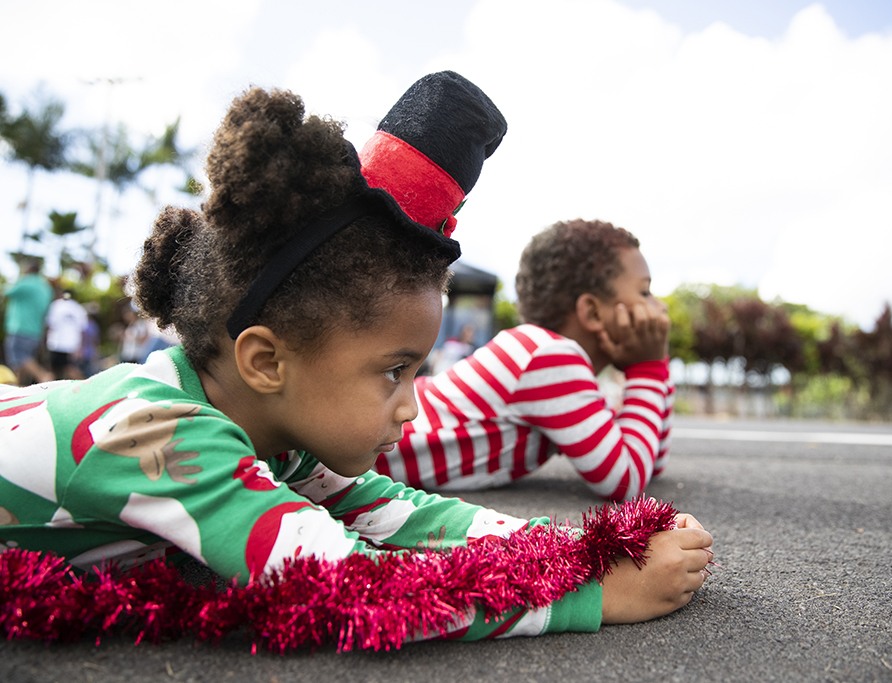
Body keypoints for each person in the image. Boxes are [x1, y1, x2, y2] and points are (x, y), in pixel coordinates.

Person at [0, 74, 712, 650]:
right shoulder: (158, 430)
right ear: (266, 361)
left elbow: (401, 513)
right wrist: (596, 593)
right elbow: (352, 583)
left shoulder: (268, 434)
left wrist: (586, 545)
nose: (411, 402)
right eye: (393, 370)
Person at [374, 219, 675, 502]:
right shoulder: (548, 357)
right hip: (368, 447)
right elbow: (626, 480)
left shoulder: (558, 369)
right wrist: (649, 367)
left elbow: (649, 460)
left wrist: (654, 364)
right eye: (645, 291)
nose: (658, 306)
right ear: (593, 312)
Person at [2, 258, 54, 384]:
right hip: (36, 331)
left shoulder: (26, 282)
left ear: (28, 270)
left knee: (19, 357)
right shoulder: (46, 287)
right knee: (23, 362)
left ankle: (43, 375)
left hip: (20, 328)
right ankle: (18, 389)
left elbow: (7, 291)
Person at [44, 289, 88, 380]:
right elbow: (82, 330)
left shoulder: (56, 305)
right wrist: (80, 347)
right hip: (72, 345)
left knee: (56, 370)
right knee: (69, 369)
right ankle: (84, 385)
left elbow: (49, 324)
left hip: (56, 344)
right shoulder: (79, 308)